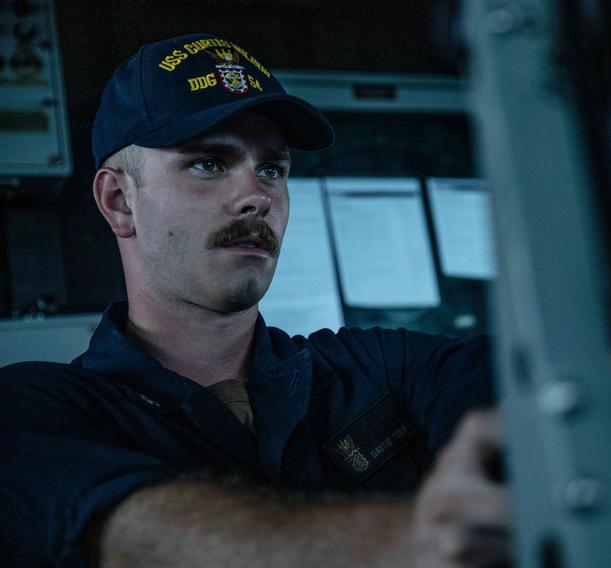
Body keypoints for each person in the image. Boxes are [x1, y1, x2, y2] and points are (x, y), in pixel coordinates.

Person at [0, 33, 510, 567]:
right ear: (119, 201)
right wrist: (416, 541)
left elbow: (548, 385)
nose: (257, 197)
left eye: (271, 169)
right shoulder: (41, 413)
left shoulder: (379, 369)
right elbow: (142, 539)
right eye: (209, 163)